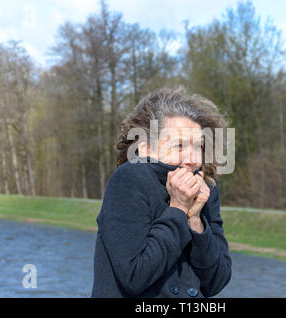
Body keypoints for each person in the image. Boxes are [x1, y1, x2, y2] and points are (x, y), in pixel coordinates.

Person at [91, 87, 232, 298]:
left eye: (198, 146)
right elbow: (134, 276)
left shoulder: (206, 188)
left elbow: (217, 282)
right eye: (179, 146)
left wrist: (195, 222)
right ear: (146, 149)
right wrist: (178, 209)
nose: (192, 158)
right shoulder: (129, 180)